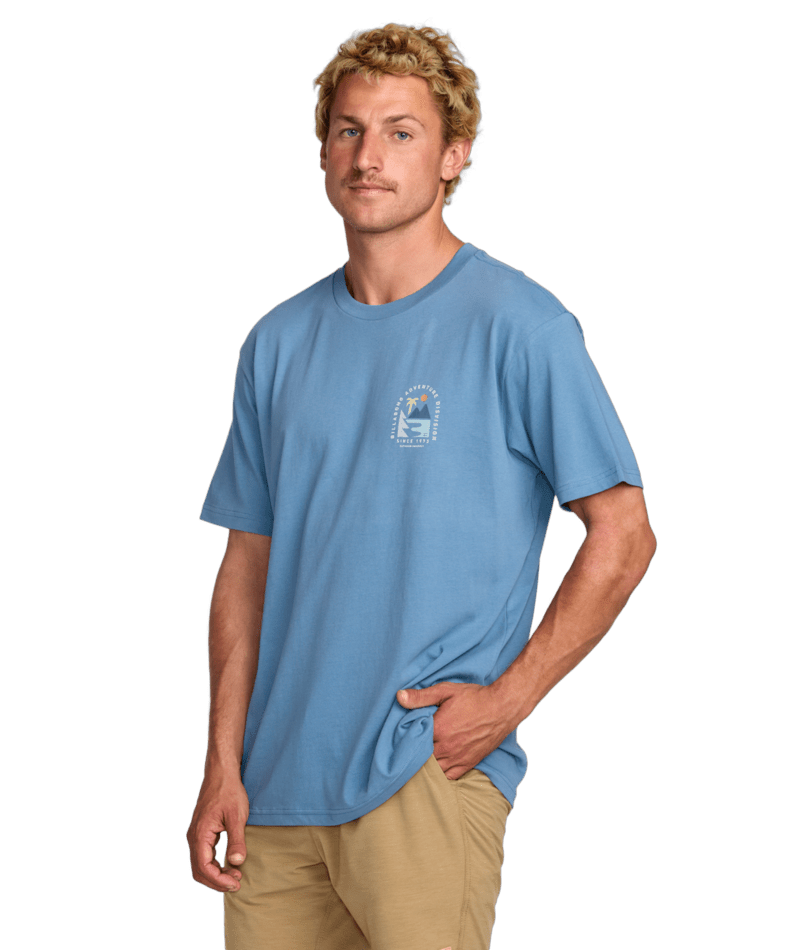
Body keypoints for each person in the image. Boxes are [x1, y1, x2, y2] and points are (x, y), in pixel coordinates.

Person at [186, 21, 656, 950]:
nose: (369, 156)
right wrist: (221, 762)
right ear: (324, 151)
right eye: (349, 130)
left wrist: (508, 700)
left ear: (454, 156)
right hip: (273, 794)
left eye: (401, 132)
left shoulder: (520, 325)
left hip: (422, 774)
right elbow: (246, 566)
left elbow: (624, 531)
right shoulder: (276, 343)